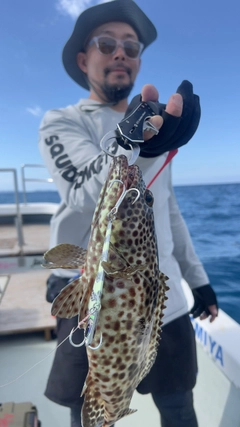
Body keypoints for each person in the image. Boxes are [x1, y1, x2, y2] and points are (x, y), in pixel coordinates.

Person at [38, 1, 218, 426]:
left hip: (162, 299)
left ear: (137, 62)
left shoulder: (153, 124)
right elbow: (83, 190)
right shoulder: (62, 121)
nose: (120, 53)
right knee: (89, 412)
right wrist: (137, 147)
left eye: (131, 47)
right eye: (107, 44)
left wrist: (201, 282)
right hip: (89, 300)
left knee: (178, 406)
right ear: (85, 59)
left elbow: (169, 213)